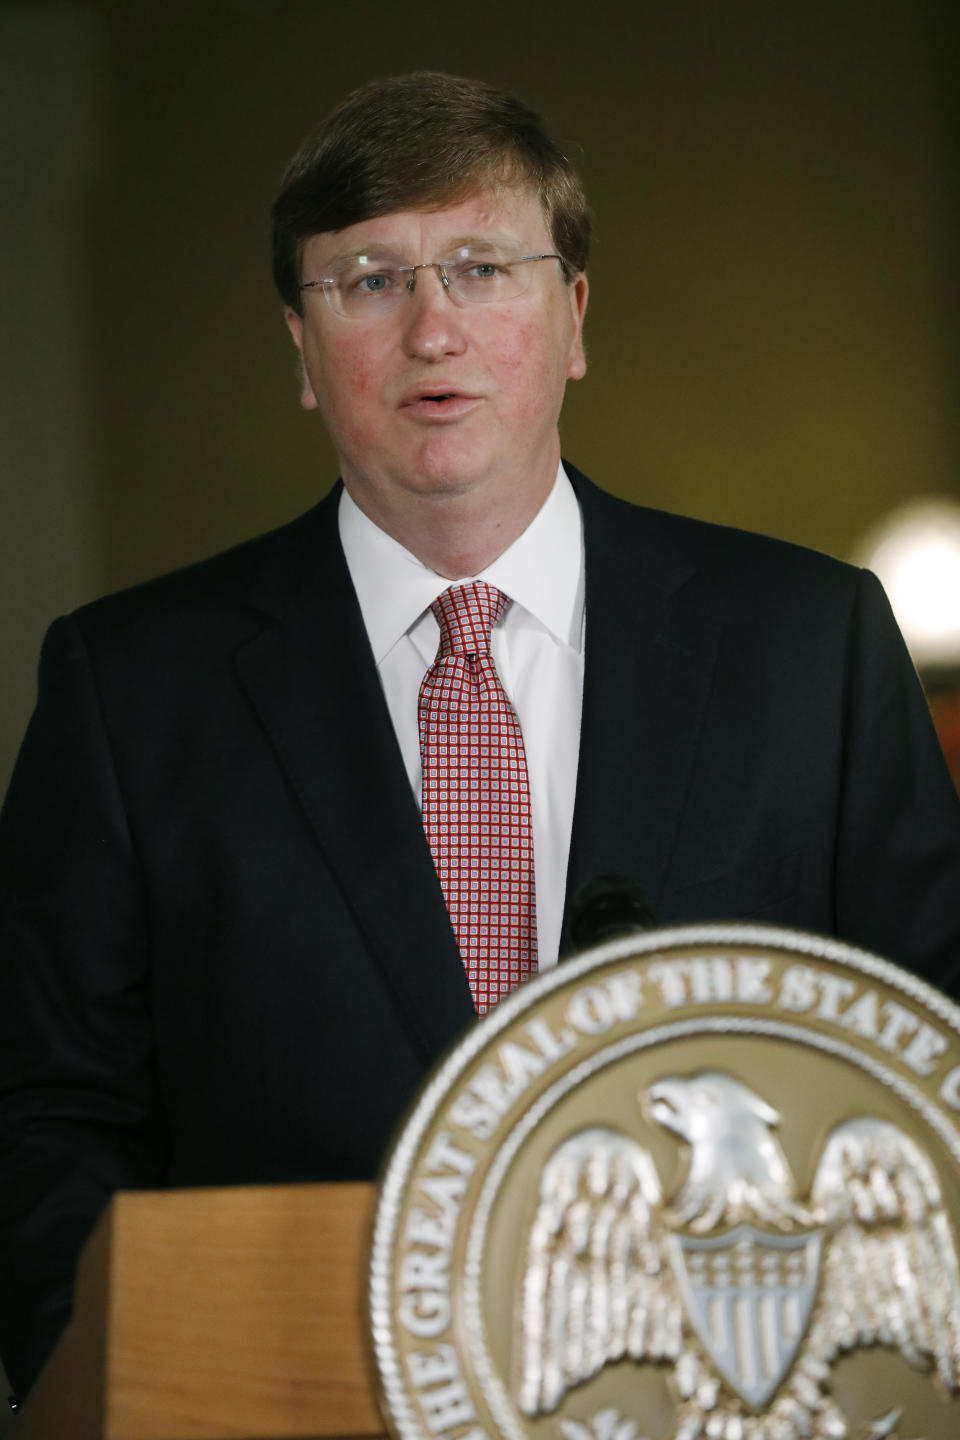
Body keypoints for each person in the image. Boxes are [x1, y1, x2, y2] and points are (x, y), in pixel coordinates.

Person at [1, 70, 959, 1403]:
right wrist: (100, 1382)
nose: (433, 328)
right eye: (371, 280)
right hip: (277, 1403)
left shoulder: (813, 645)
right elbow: (48, 1112)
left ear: (572, 317)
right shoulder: (130, 686)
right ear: (299, 344)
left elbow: (924, 1058)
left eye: (481, 266)